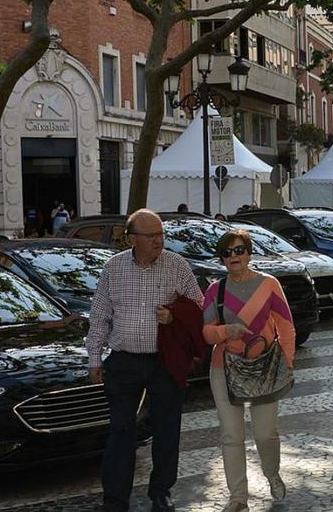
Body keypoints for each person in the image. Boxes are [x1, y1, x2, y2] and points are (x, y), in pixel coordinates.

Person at [87, 209, 203, 512]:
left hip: (164, 361)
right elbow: (100, 316)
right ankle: (115, 499)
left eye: (161, 234)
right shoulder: (114, 268)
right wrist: (94, 359)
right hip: (124, 361)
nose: (158, 240)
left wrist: (174, 316)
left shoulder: (176, 265)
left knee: (167, 429)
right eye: (151, 235)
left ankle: (161, 491)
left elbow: (199, 306)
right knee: (120, 431)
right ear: (131, 238)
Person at [200, 230, 294, 511]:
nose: (234, 257)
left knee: (266, 434)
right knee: (231, 435)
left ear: (249, 253)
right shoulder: (214, 290)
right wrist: (225, 331)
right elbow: (206, 333)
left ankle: (272, 473)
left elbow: (285, 326)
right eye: (227, 253)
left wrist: (287, 362)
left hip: (263, 368)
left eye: (239, 251)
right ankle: (238, 497)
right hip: (224, 369)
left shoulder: (269, 285)